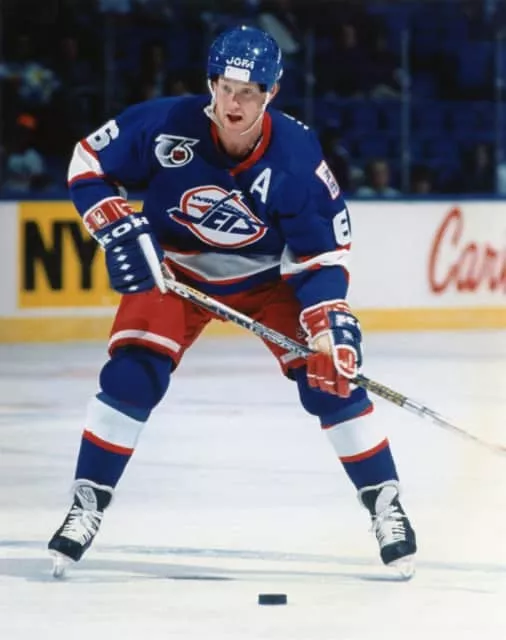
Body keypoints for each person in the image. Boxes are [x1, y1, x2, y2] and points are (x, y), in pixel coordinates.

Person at [48, 25, 416, 578]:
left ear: (271, 93)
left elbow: (320, 255)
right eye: (225, 88)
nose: (234, 104)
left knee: (329, 382)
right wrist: (113, 223)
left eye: (248, 92)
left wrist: (326, 324)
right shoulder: (167, 123)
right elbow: (88, 161)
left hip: (268, 281)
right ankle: (87, 502)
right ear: (211, 85)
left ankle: (386, 504)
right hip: (176, 271)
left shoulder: (296, 159)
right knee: (132, 375)